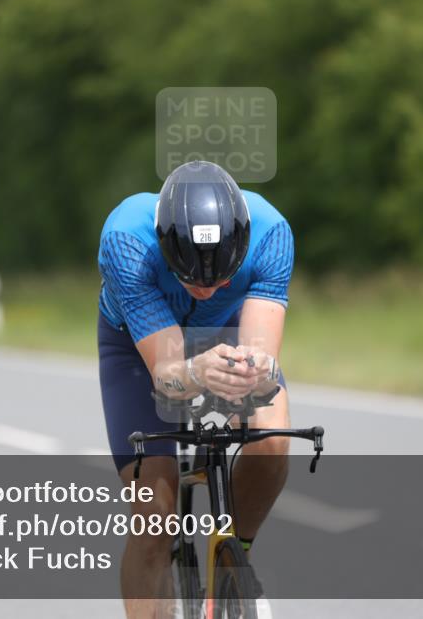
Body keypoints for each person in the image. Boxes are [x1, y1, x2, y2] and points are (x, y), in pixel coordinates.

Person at [97, 160, 294, 618]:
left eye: (223, 279)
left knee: (273, 439)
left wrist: (254, 371)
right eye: (190, 278)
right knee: (155, 516)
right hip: (138, 343)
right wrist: (196, 372)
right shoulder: (127, 241)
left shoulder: (271, 233)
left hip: (224, 332)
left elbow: (262, 358)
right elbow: (167, 376)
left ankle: (234, 563)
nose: (206, 288)